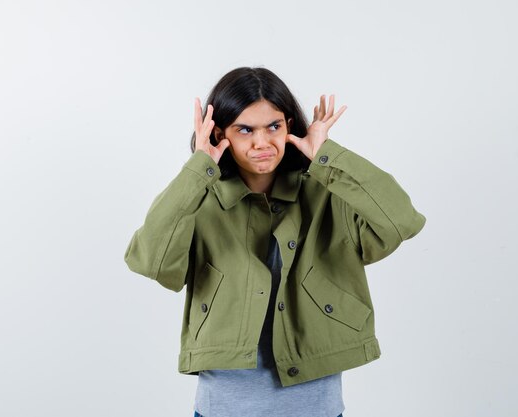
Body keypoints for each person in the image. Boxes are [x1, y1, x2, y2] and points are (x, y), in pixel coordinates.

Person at [124, 67, 426, 417]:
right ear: (220, 133)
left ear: (289, 127)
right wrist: (198, 168)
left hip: (316, 407)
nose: (262, 142)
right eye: (245, 129)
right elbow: (149, 260)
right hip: (223, 407)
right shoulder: (199, 200)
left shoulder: (327, 190)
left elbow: (402, 220)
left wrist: (327, 156)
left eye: (274, 127)